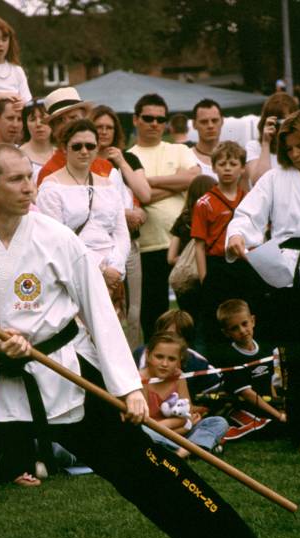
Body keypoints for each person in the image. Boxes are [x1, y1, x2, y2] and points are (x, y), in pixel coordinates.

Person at [0, 142, 266, 538]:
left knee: (142, 463)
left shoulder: (56, 238)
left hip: (64, 372)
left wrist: (128, 388)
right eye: (17, 179)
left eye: (30, 175)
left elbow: (99, 311)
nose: (30, 186)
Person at [226, 109, 300, 455]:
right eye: (289, 148)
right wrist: (238, 236)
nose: (295, 154)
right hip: (289, 278)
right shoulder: (275, 179)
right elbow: (247, 215)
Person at [127, 93, 200, 341]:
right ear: (136, 120)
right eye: (148, 118)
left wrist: (147, 184)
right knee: (155, 320)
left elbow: (194, 179)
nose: (155, 124)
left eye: (161, 119)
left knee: (192, 317)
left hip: (183, 245)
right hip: (148, 248)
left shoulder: (178, 149)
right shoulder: (128, 157)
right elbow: (137, 198)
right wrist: (176, 184)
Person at [37, 119, 130, 304]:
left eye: (90, 146)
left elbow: (121, 232)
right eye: (77, 146)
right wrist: (100, 269)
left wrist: (116, 267)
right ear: (65, 148)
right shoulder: (51, 186)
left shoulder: (109, 185)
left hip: (114, 269)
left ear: (97, 148)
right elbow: (58, 240)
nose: (84, 151)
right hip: (74, 270)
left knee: (111, 331)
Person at [91, 103, 151, 348]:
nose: (104, 132)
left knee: (133, 313)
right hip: (100, 247)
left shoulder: (128, 158)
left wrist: (121, 161)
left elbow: (145, 195)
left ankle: (134, 362)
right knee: (107, 311)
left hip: (131, 244)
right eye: (99, 127)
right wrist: (124, 213)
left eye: (109, 127)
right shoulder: (86, 159)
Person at [191, 141, 253, 360]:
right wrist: (204, 276)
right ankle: (218, 368)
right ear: (214, 167)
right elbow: (199, 244)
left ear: (242, 168)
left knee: (246, 318)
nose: (227, 168)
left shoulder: (250, 200)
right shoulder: (204, 202)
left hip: (244, 265)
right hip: (216, 267)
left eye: (233, 163)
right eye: (222, 164)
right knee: (216, 322)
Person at [139, 332, 227, 459]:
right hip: (156, 432)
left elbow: (188, 411)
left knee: (219, 422)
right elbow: (147, 423)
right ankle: (192, 448)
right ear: (148, 355)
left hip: (175, 432)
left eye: (171, 359)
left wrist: (186, 423)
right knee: (144, 431)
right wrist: (183, 427)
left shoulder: (178, 376)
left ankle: (180, 452)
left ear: (179, 360)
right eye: (159, 357)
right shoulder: (140, 379)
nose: (164, 363)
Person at [216, 299, 285, 441]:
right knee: (271, 427)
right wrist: (278, 416)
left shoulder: (265, 349)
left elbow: (270, 382)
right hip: (241, 408)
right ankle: (221, 435)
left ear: (252, 321)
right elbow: (247, 394)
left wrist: (279, 408)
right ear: (226, 332)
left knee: (282, 424)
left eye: (244, 324)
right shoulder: (230, 357)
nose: (242, 330)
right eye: (234, 328)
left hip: (265, 407)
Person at [37, 87, 113, 186]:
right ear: (53, 128)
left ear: (85, 119)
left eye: (73, 117)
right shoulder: (48, 173)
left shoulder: (105, 167)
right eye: (60, 121)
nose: (68, 124)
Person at [167, 174, 216, 322]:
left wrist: (188, 264)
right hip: (209, 280)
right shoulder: (213, 221)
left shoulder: (183, 220)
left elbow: (171, 258)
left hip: (186, 285)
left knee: (190, 323)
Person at [245, 93, 298, 186]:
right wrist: (266, 143)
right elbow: (259, 182)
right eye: (279, 121)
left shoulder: (299, 146)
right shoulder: (254, 146)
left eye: (287, 121)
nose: (282, 126)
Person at [19, 99, 53, 183]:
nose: (38, 124)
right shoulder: (18, 154)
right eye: (32, 119)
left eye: (43, 117)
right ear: (25, 124)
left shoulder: (63, 152)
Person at [191, 99, 224, 179]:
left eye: (215, 120)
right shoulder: (187, 158)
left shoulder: (236, 157)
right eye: (204, 122)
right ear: (194, 124)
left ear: (222, 121)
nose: (210, 126)